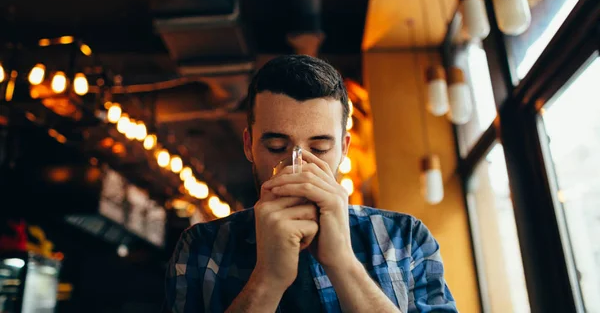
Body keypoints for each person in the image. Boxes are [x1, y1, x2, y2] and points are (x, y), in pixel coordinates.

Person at [165, 55, 457, 313]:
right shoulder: (202, 247)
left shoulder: (405, 238)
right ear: (248, 145)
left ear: (344, 148)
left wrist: (343, 263)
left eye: (319, 149)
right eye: (277, 147)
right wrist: (267, 280)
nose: (299, 168)